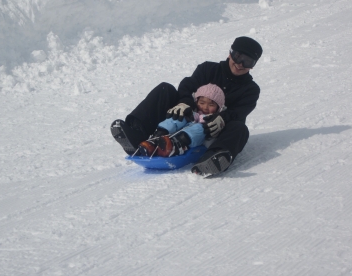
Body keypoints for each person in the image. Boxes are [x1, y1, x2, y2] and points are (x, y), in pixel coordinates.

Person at [110, 36, 262, 176]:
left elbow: (240, 112)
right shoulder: (208, 69)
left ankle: (215, 157)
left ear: (253, 65)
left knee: (240, 129)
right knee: (165, 89)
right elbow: (187, 86)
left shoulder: (251, 89)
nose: (240, 64)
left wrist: (222, 118)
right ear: (230, 53)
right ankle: (136, 133)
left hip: (215, 130)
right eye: (238, 57)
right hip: (186, 115)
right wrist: (185, 102)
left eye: (247, 62)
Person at [137, 83, 226, 158]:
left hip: (195, 140)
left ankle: (175, 146)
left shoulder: (215, 120)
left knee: (200, 128)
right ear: (196, 102)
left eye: (211, 105)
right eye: (202, 103)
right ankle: (155, 139)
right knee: (179, 118)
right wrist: (186, 115)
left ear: (218, 107)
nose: (205, 107)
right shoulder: (195, 112)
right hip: (178, 132)